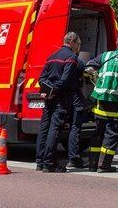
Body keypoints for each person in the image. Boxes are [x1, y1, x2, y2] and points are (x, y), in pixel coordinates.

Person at [85, 33, 118, 173]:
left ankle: (92, 164)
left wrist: (95, 78)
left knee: (98, 132)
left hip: (100, 100)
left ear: (117, 43)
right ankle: (104, 165)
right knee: (112, 134)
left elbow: (88, 67)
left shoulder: (105, 56)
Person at [35, 32, 81, 173]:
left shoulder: (51, 57)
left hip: (49, 98)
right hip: (61, 98)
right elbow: (65, 80)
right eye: (78, 44)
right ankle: (50, 163)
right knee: (54, 130)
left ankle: (40, 161)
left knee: (44, 129)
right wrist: (54, 90)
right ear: (72, 41)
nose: (78, 47)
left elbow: (41, 78)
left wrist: (48, 91)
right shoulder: (71, 58)